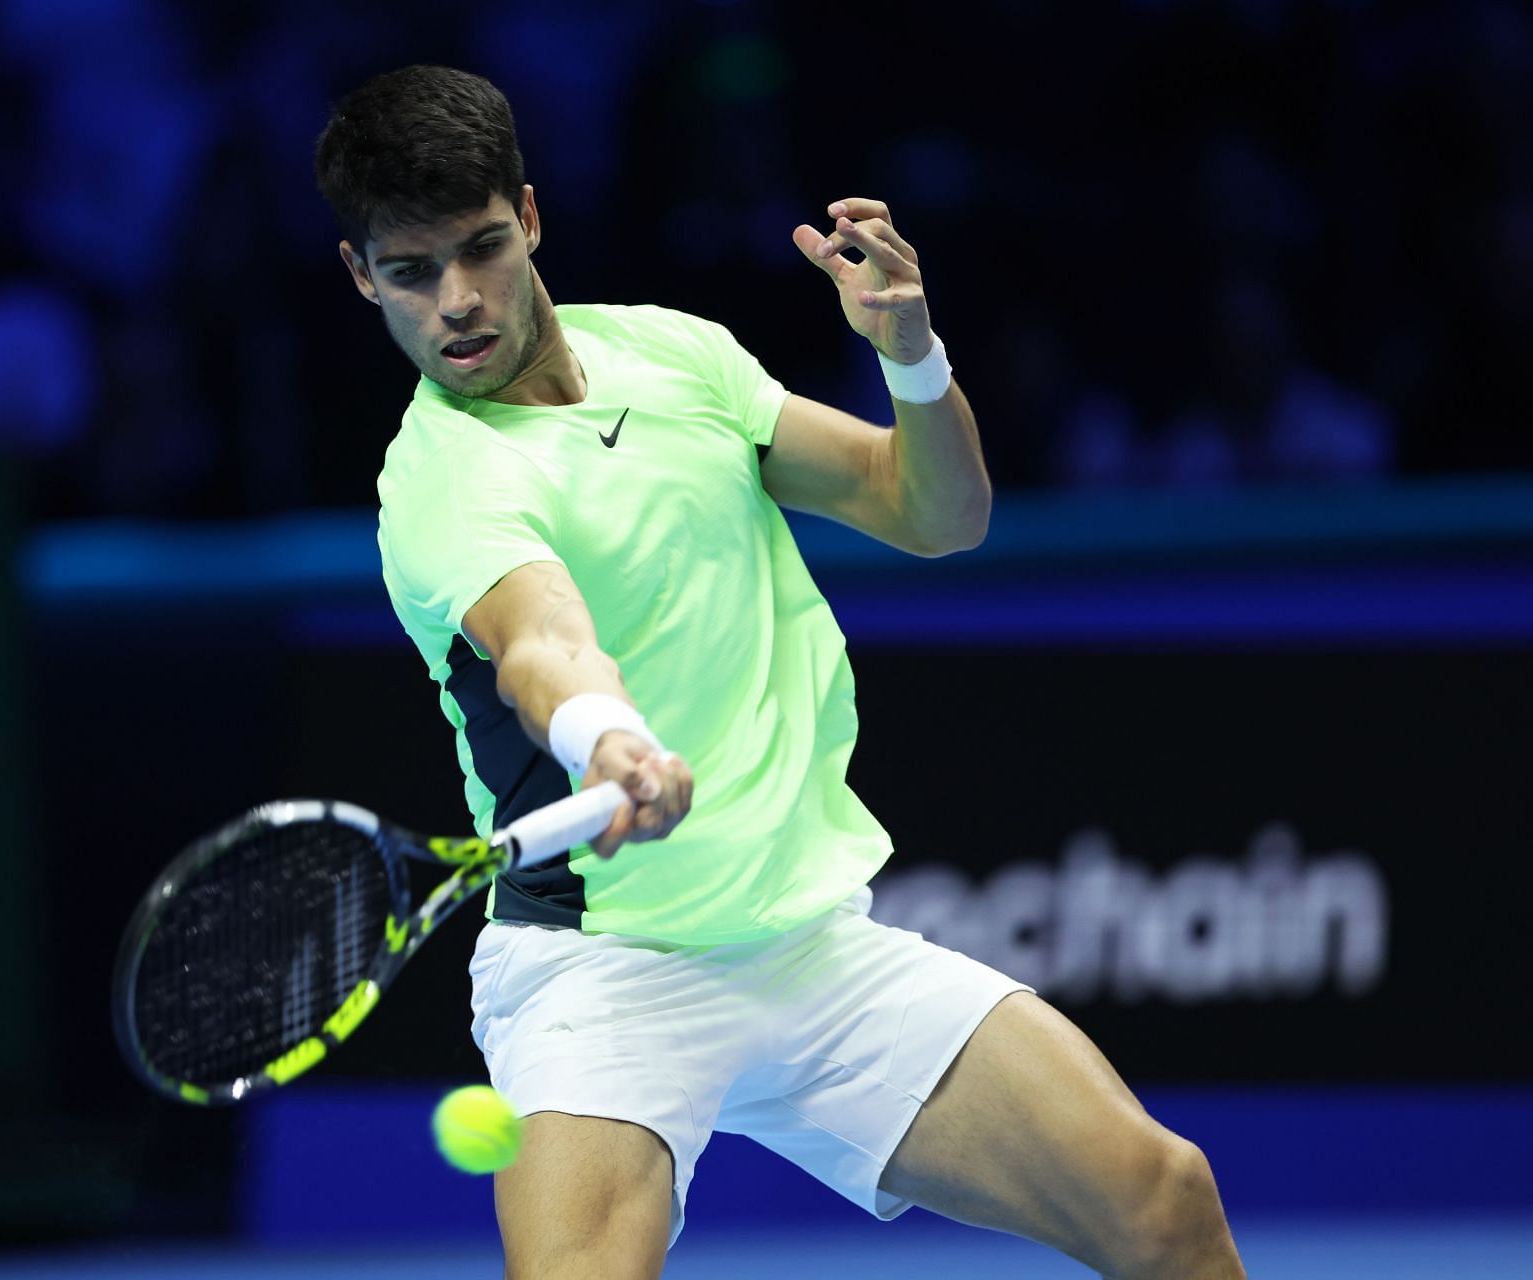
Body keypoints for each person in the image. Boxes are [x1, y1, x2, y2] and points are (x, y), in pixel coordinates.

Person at [315, 65, 1246, 1280]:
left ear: (530, 217)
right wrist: (607, 740)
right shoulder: (441, 480)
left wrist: (911, 355)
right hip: (603, 973)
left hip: (808, 945)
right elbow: (543, 638)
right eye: (410, 271)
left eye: (482, 248)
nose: (456, 302)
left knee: (1163, 1197)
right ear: (360, 276)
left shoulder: (679, 359)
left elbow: (936, 511)